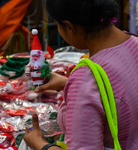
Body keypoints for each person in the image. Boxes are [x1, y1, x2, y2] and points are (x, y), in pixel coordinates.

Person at [23, 0, 138, 150]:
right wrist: (67, 83)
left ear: (69, 27)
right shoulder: (134, 44)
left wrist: (40, 144)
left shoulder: (86, 78)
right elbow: (120, 93)